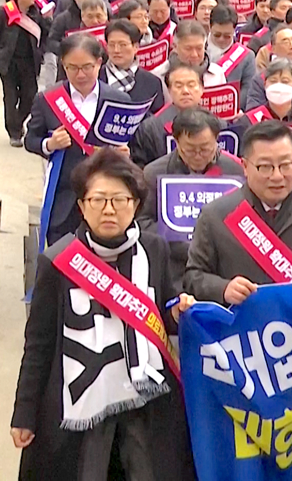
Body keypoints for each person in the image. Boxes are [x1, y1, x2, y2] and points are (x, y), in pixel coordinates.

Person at [11, 148, 196, 481]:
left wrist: (178, 311)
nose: (109, 210)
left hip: (145, 397)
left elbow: (163, 312)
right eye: (98, 200)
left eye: (119, 200)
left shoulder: (154, 249)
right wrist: (24, 413)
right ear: (82, 206)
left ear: (135, 205)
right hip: (81, 398)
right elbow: (38, 343)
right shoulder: (58, 262)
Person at [184, 121, 292, 305]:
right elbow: (193, 277)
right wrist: (223, 289)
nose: (277, 176)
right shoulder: (216, 216)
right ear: (245, 166)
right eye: (265, 167)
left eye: (286, 165)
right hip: (240, 330)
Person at [24, 34, 132, 245]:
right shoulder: (48, 99)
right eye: (72, 67)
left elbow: (132, 145)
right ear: (63, 64)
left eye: (87, 67)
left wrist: (124, 154)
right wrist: (50, 144)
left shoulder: (119, 100)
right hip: (63, 197)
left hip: (105, 195)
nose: (80, 74)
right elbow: (31, 139)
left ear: (99, 62)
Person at [138, 108, 245, 292]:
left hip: (223, 268)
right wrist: (178, 238)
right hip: (175, 266)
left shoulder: (235, 171)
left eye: (205, 149)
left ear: (217, 140)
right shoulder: (154, 173)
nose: (198, 155)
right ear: (177, 142)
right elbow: (142, 222)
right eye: (190, 150)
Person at [0, 0, 48, 146]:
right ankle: (14, 133)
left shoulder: (36, 14)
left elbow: (45, 35)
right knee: (10, 97)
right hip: (8, 62)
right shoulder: (3, 12)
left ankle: (17, 123)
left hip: (29, 62)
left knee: (30, 97)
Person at [130, 63, 205, 168]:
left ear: (202, 88)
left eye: (191, 85)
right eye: (178, 86)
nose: (185, 91)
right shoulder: (150, 127)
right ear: (169, 90)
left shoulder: (219, 125)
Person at [99, 20, 166, 113]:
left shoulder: (152, 82)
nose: (116, 50)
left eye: (122, 45)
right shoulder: (95, 78)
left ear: (136, 47)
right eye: (111, 45)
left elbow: (157, 121)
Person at [203, 5, 257, 111]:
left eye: (227, 36)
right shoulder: (196, 50)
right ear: (210, 27)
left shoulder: (246, 56)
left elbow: (248, 89)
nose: (221, 40)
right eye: (217, 35)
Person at [232, 58, 292, 129]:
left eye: (285, 81)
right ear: (264, 84)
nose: (278, 86)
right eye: (273, 81)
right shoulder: (248, 121)